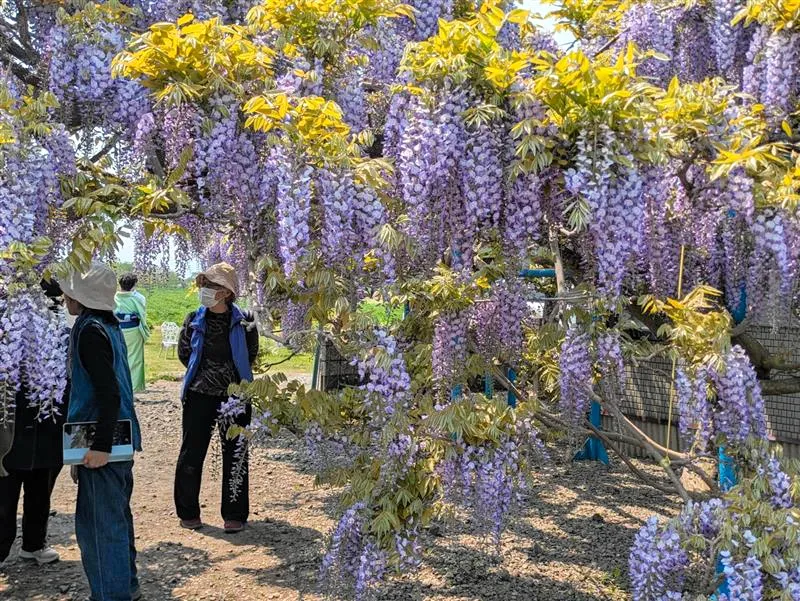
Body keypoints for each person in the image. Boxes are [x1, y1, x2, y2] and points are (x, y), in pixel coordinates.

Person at [61, 262, 143, 601]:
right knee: (116, 518)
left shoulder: (91, 331)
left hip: (104, 442)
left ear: (83, 299)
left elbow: (107, 393)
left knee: (99, 526)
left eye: (71, 292)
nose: (66, 297)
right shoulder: (107, 325)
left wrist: (98, 447)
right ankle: (128, 587)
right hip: (119, 436)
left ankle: (112, 594)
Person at [175, 262, 258, 534]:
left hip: (235, 398)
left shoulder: (244, 321)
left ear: (225, 292)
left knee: (236, 454)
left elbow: (251, 354)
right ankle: (188, 512)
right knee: (192, 452)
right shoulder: (193, 319)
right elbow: (184, 354)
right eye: (205, 286)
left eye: (211, 286)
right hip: (199, 395)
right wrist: (206, 376)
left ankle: (234, 515)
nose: (205, 291)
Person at [0, 280, 68, 567]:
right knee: (4, 497)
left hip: (46, 425)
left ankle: (33, 545)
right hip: (13, 429)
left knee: (40, 492)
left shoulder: (60, 330)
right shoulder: (8, 328)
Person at [115, 273, 150, 393]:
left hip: (118, 330)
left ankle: (119, 385)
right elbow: (142, 314)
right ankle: (133, 388)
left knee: (118, 358)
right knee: (134, 359)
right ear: (134, 284)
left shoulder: (113, 297)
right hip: (134, 330)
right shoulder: (138, 298)